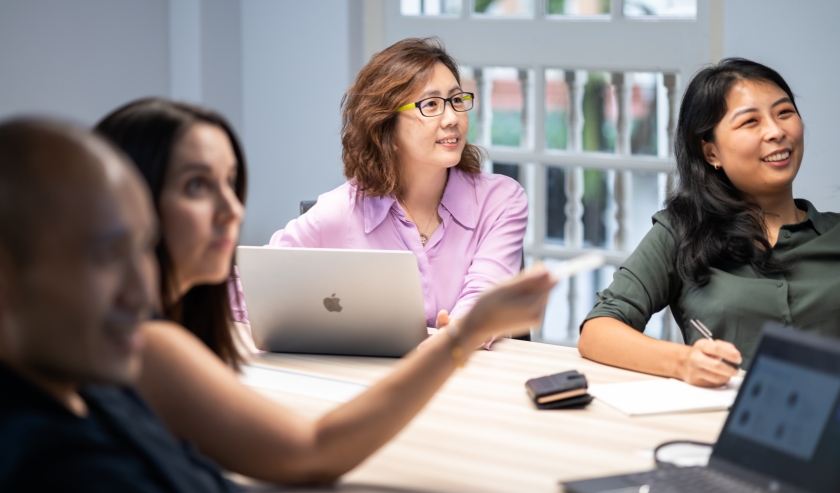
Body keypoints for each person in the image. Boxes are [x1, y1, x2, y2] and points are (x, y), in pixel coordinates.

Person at [94, 98, 555, 484]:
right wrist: (463, 335)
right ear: (130, 202)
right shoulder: (148, 346)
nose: (232, 209)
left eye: (232, 184)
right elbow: (311, 452)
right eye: (197, 185)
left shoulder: (136, 336)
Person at [231, 37, 528, 339]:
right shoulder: (342, 210)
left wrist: (459, 334)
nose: (452, 118)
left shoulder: (501, 200)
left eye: (456, 100)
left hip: (466, 374)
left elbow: (482, 300)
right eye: (431, 105)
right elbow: (251, 285)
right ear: (387, 127)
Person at [0, 118, 238, 492]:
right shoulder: (59, 470)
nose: (143, 295)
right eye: (108, 256)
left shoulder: (99, 391)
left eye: (144, 247)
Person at [578, 58, 840, 387]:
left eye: (784, 113)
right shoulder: (682, 232)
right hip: (719, 427)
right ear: (711, 151)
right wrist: (682, 362)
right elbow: (598, 330)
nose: (776, 132)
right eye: (750, 122)